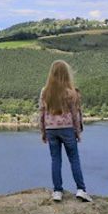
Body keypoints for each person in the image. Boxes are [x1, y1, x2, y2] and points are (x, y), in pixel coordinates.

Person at [39, 60, 91, 203]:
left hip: (51, 130)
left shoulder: (45, 92)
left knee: (56, 160)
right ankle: (81, 190)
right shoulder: (71, 92)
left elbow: (41, 113)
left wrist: (43, 132)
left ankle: (57, 191)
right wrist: (78, 132)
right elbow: (75, 114)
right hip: (67, 129)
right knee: (74, 159)